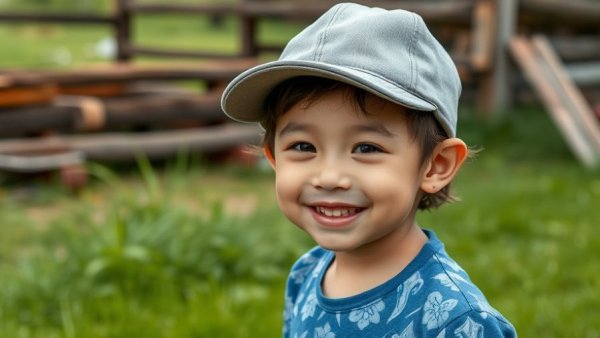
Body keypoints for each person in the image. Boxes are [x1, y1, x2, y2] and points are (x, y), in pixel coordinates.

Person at [221, 3, 517, 337]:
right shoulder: (305, 273)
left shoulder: (455, 319)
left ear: (436, 166)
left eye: (366, 148)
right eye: (304, 147)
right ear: (273, 157)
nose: (329, 177)